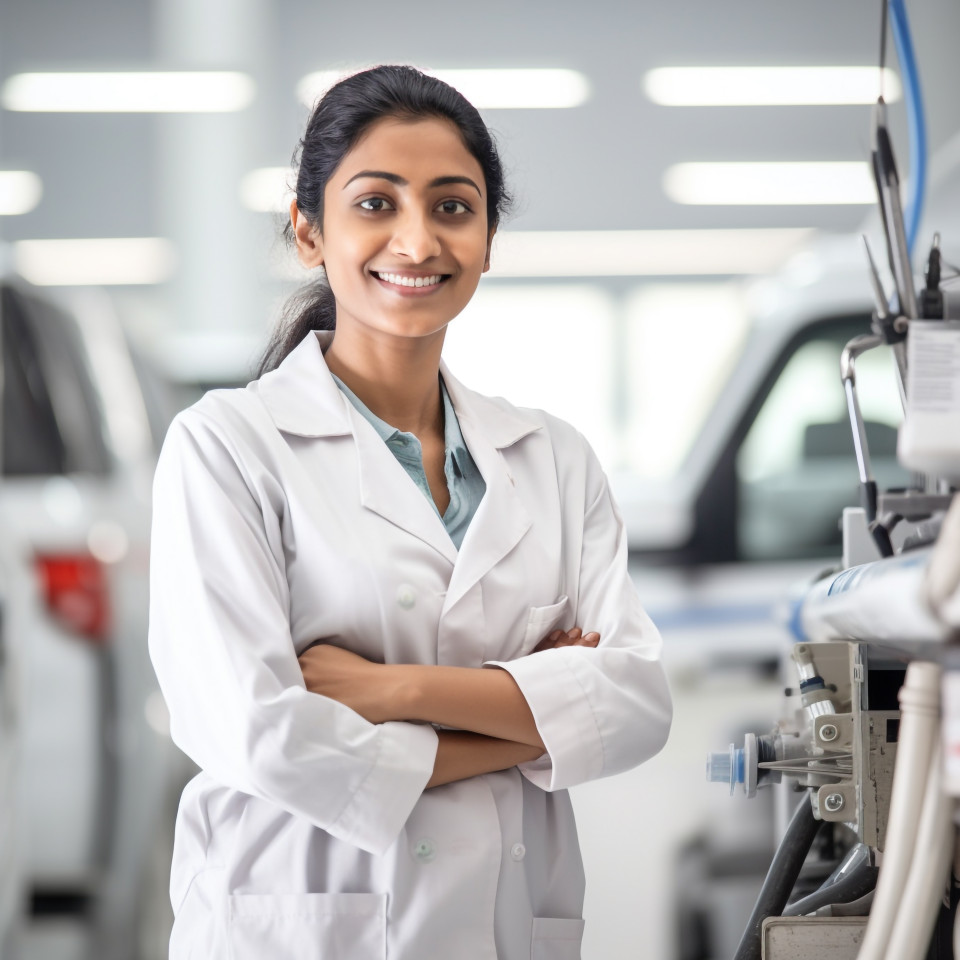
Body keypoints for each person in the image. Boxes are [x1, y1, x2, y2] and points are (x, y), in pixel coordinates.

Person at [148, 64, 672, 960]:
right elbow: (261, 732)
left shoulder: (552, 458)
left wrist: (391, 692)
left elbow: (632, 703)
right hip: (306, 926)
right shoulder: (228, 447)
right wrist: (531, 712)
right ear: (309, 230)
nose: (418, 240)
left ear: (490, 237)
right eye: (376, 203)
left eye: (453, 206)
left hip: (508, 921)